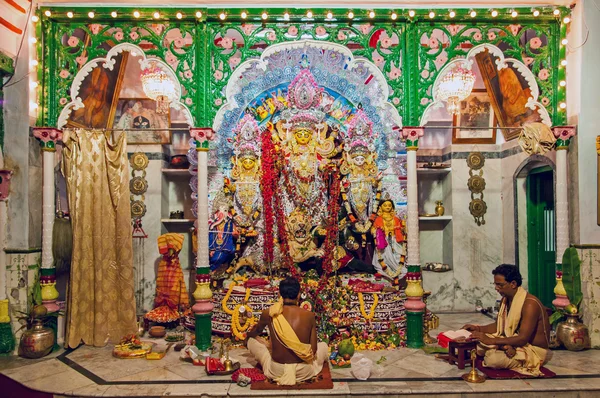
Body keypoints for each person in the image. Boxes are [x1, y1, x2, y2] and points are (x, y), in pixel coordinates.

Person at [462, 264, 551, 377]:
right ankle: (504, 347)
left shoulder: (530, 304)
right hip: (515, 342)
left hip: (532, 350)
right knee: (473, 344)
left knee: (492, 359)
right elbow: (499, 326)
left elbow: (522, 338)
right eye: (495, 284)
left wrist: (491, 341)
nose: (496, 288)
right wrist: (477, 328)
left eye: (500, 285)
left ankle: (503, 348)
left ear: (513, 284)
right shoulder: (506, 300)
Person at [245, 277, 329, 385]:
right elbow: (313, 350)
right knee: (323, 346)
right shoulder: (309, 315)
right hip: (303, 371)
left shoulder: (269, 313)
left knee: (252, 342)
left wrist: (249, 336)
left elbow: (256, 332)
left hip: (276, 370)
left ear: (280, 295)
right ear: (299, 295)